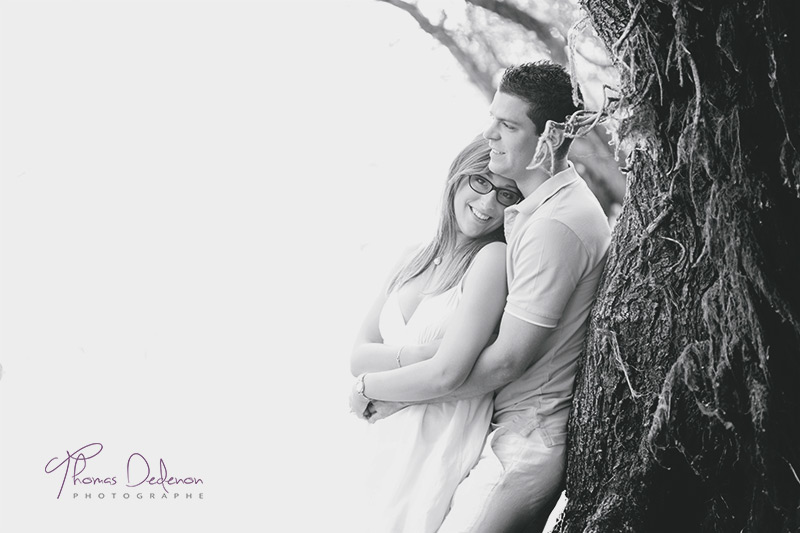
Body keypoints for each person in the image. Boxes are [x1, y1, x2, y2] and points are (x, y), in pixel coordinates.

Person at [364, 61, 613, 532]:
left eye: (508, 124)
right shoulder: (541, 211)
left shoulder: (554, 225)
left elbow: (505, 363)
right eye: (492, 119)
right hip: (496, 433)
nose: (491, 134)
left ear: (550, 138)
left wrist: (386, 392)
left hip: (522, 444)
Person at [348, 134, 523, 533]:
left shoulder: (491, 259)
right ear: (457, 178)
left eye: (506, 195)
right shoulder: (413, 256)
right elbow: (357, 354)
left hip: (434, 437)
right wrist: (423, 352)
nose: (487, 204)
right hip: (379, 432)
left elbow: (450, 371)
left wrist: (367, 386)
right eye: (480, 182)